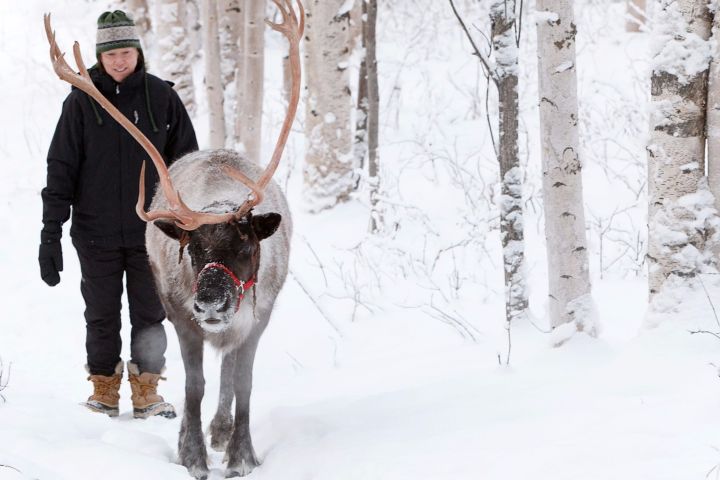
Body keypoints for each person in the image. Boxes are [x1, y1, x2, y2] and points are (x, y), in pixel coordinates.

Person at [38, 11, 198, 419]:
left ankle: (147, 390)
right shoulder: (81, 100)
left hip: (154, 234)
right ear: (99, 56)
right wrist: (50, 231)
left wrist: (188, 224)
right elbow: (61, 167)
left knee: (150, 313)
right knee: (102, 313)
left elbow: (188, 164)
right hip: (96, 232)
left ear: (137, 52)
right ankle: (104, 389)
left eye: (125, 52)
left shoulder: (162, 97)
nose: (119, 62)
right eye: (111, 55)